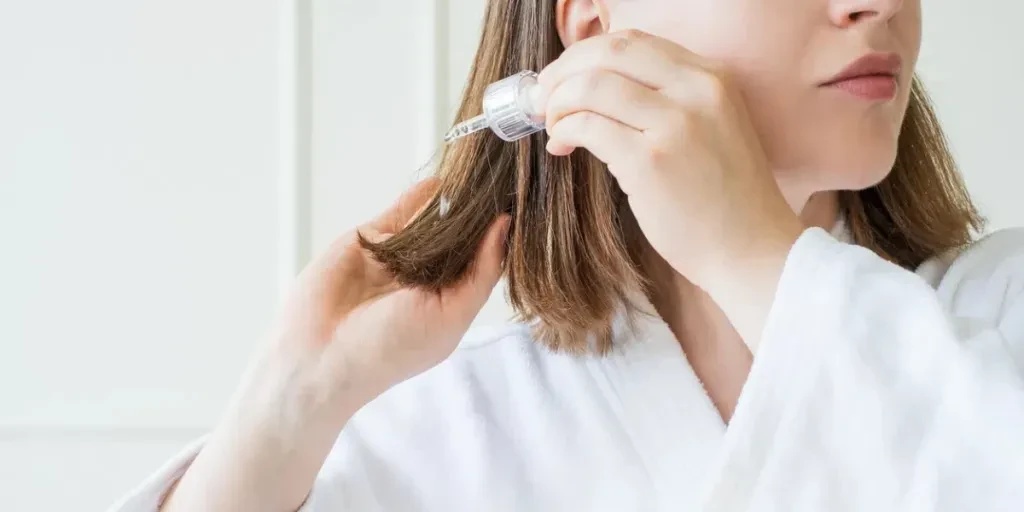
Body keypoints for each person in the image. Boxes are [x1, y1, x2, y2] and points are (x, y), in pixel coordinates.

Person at [112, 0, 1024, 510]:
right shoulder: (446, 432)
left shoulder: (1002, 317)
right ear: (591, 23)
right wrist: (285, 409)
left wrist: (757, 261)